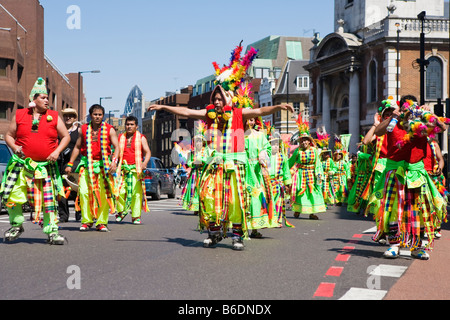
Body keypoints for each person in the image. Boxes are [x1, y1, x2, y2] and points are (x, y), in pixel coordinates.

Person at [148, 43, 294, 250]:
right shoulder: (209, 115)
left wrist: (279, 106)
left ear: (228, 99)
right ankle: (214, 234)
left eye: (220, 98)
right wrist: (163, 106)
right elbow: (188, 113)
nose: (217, 102)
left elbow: (260, 112)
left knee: (235, 201)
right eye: (214, 99)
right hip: (215, 166)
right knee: (210, 199)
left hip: (236, 166)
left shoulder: (238, 114)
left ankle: (237, 237)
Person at [369, 96, 447, 260]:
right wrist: (395, 116)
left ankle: (417, 247)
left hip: (416, 173)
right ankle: (394, 245)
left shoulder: (421, 124)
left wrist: (429, 114)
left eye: (412, 107)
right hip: (395, 172)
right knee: (393, 210)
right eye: (406, 107)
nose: (409, 110)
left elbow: (443, 127)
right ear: (401, 108)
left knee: (417, 210)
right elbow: (378, 132)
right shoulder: (393, 123)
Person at [1, 77, 70, 245]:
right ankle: (16, 225)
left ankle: (52, 232)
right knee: (12, 196)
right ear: (34, 99)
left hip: (45, 167)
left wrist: (56, 152)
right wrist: (15, 148)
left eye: (47, 98)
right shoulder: (20, 115)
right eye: (43, 97)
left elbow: (66, 136)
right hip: (21, 165)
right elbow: (8, 135)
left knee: (49, 200)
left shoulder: (53, 116)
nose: (47, 101)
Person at [65, 104, 119, 232]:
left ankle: (101, 222)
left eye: (100, 115)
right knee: (83, 192)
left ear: (103, 116)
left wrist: (114, 162)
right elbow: (77, 147)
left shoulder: (110, 129)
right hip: (86, 165)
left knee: (103, 194)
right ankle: (86, 221)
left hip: (103, 166)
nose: (97, 117)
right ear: (90, 115)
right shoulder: (83, 129)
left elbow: (117, 147)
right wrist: (70, 163)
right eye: (95, 114)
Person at [115, 116, 151, 224]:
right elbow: (115, 151)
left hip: (136, 170)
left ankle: (136, 216)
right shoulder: (120, 137)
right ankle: (121, 211)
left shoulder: (141, 138)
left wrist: (144, 163)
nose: (129, 126)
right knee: (119, 191)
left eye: (132, 124)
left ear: (136, 126)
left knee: (136, 194)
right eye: (127, 124)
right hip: (122, 170)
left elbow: (148, 152)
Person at [289, 115, 326, 220]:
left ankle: (312, 212)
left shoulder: (314, 151)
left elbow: (317, 163)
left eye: (306, 140)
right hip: (301, 174)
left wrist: (319, 174)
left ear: (309, 141)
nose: (304, 142)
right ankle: (297, 209)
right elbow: (290, 162)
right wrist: (284, 170)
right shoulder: (298, 151)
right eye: (302, 140)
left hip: (311, 174)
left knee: (313, 192)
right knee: (300, 192)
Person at [244, 116, 273, 238]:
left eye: (251, 119)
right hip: (243, 170)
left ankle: (255, 228)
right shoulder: (238, 135)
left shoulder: (260, 136)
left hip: (256, 171)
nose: (249, 122)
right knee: (244, 198)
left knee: (256, 198)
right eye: (246, 119)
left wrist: (263, 154)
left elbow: (268, 148)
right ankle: (241, 227)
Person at [266, 125, 294, 228]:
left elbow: (286, 171)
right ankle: (269, 219)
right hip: (268, 182)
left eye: (277, 144)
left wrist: (287, 183)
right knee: (269, 202)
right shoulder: (266, 156)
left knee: (278, 202)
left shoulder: (283, 157)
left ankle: (277, 220)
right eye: (273, 144)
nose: (275, 146)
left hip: (278, 183)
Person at [181, 121, 210, 215]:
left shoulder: (206, 151)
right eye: (196, 142)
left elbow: (207, 160)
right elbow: (188, 162)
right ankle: (195, 207)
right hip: (195, 173)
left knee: (204, 189)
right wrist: (192, 163)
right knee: (194, 190)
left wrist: (202, 160)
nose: (198, 144)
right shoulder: (192, 152)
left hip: (204, 173)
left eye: (200, 142)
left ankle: (203, 207)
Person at [58, 108, 81, 223]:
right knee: (61, 191)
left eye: (71, 116)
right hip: (61, 164)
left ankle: (79, 211)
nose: (68, 118)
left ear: (74, 118)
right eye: (66, 116)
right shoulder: (58, 131)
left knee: (78, 190)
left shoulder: (79, 131)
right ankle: (63, 215)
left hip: (76, 165)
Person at [331, 136, 350, 206]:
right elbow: (331, 169)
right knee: (335, 189)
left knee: (342, 189)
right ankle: (337, 201)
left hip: (342, 177)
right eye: (337, 155)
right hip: (335, 177)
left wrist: (348, 177)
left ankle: (344, 200)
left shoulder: (344, 162)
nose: (338, 156)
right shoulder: (333, 162)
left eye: (340, 155)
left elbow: (347, 169)